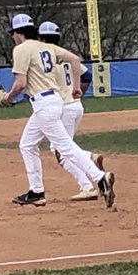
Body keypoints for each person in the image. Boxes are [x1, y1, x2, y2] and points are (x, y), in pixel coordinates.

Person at [0, 14, 115, 210]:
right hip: (51, 102)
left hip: (45, 104)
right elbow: (75, 59)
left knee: (65, 148)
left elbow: (21, 84)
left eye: (13, 33)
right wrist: (77, 87)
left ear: (19, 33)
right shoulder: (47, 47)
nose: (13, 37)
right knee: (27, 144)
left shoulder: (21, 49)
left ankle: (100, 178)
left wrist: (7, 98)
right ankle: (36, 191)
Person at [39, 20, 105, 201]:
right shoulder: (66, 55)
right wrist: (78, 91)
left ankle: (88, 180)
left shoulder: (46, 59)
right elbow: (87, 75)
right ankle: (88, 174)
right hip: (76, 106)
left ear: (42, 38)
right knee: (62, 148)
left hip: (64, 108)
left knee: (61, 151)